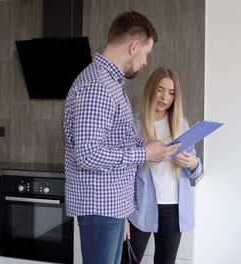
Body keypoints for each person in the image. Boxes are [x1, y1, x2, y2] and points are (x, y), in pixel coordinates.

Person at [64, 11, 181, 264]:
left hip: (112, 204)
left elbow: (117, 140)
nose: (146, 62)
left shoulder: (112, 84)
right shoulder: (97, 86)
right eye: (146, 54)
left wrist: (145, 143)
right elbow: (88, 154)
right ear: (134, 46)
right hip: (100, 206)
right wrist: (145, 153)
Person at [121, 67, 203, 264]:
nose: (165, 97)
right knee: (128, 261)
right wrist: (123, 217)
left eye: (171, 92)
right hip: (140, 207)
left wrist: (192, 164)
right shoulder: (134, 126)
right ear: (150, 89)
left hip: (174, 209)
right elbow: (123, 175)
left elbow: (196, 171)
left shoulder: (180, 124)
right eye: (160, 89)